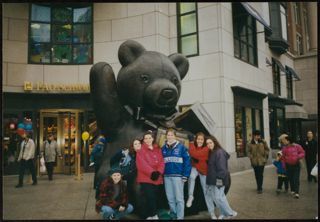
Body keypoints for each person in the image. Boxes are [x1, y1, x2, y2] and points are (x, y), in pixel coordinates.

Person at [161, 128, 192, 220]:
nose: (169, 136)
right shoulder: (163, 148)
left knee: (179, 199)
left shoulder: (182, 147)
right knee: (170, 198)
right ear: (166, 136)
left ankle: (180, 217)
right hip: (167, 176)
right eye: (168, 135)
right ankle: (174, 215)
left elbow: (187, 162)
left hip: (178, 177)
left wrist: (185, 175)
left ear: (175, 136)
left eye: (171, 135)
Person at [206, 135, 237, 220]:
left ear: (214, 142)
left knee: (219, 198)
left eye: (210, 142)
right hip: (214, 180)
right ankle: (224, 213)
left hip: (219, 180)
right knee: (220, 197)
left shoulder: (219, 152)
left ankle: (230, 213)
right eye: (207, 143)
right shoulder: (212, 152)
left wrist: (219, 182)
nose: (209, 145)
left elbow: (222, 170)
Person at [136, 131, 165, 219]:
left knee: (155, 197)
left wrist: (159, 172)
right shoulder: (140, 150)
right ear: (143, 140)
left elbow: (162, 162)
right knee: (150, 196)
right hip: (146, 177)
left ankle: (150, 215)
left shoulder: (158, 149)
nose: (148, 140)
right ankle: (153, 215)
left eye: (149, 138)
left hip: (157, 177)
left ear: (153, 139)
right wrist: (152, 172)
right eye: (146, 138)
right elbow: (141, 163)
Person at [186, 132, 214, 216]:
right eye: (198, 139)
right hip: (195, 168)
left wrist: (191, 142)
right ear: (196, 139)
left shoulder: (206, 148)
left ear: (204, 141)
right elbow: (192, 156)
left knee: (206, 192)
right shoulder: (194, 147)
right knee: (191, 177)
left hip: (203, 171)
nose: (200, 141)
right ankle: (190, 196)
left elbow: (194, 154)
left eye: (201, 139)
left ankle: (212, 212)